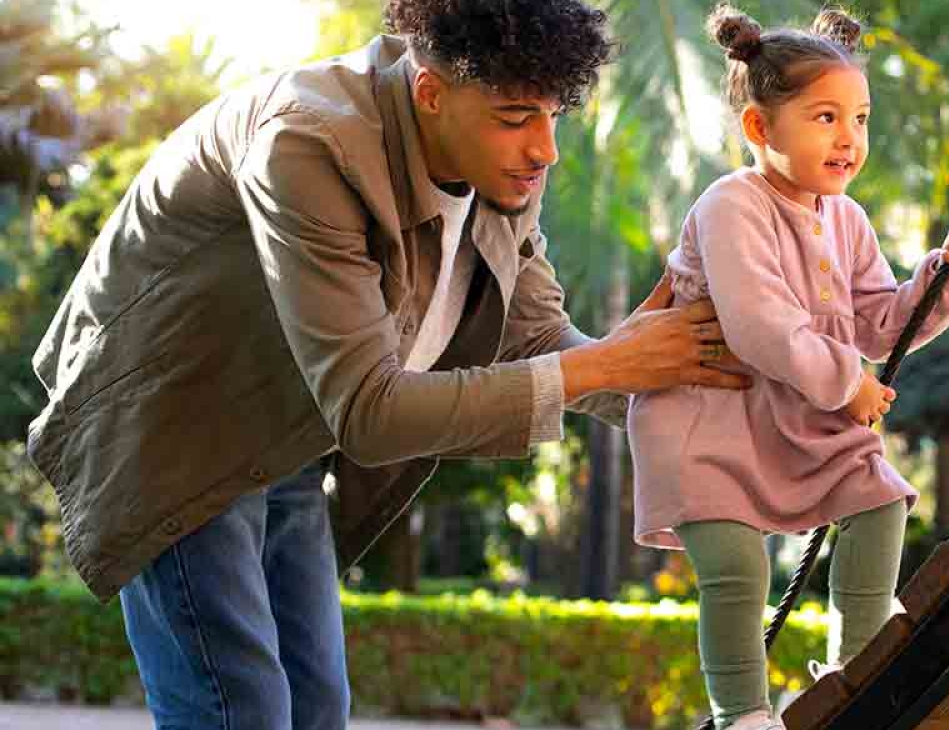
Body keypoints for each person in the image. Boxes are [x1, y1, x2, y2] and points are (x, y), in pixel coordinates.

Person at [24, 1, 749, 728]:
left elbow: (538, 342)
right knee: (239, 710)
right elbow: (371, 412)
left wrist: (704, 390)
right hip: (174, 426)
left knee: (316, 709)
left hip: (286, 439)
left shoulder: (499, 170)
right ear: (430, 92)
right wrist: (611, 367)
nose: (544, 149)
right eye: (515, 116)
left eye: (553, 114)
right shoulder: (309, 142)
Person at [626, 6, 949, 729]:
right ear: (761, 128)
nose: (849, 139)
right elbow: (760, 326)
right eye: (826, 117)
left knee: (879, 497)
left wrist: (941, 278)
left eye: (859, 118)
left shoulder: (844, 217)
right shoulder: (731, 204)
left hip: (797, 415)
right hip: (707, 420)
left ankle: (858, 668)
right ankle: (744, 715)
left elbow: (880, 322)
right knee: (737, 571)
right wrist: (847, 383)